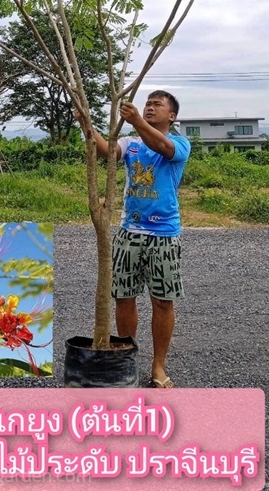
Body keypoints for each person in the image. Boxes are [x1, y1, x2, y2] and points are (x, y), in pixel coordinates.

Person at [76, 90, 191, 388]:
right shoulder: (132, 144)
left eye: (157, 105)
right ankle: (129, 359)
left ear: (172, 116)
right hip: (130, 232)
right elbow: (105, 150)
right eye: (147, 104)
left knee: (162, 301)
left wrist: (138, 120)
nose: (150, 108)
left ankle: (158, 366)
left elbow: (162, 145)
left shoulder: (180, 143)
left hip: (164, 234)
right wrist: (85, 124)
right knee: (124, 297)